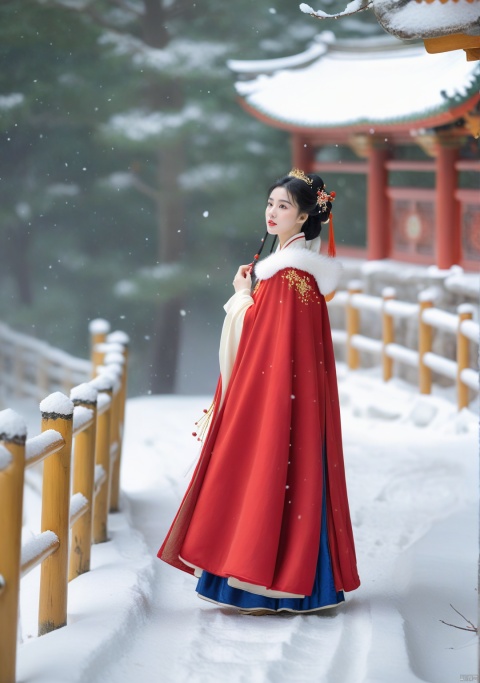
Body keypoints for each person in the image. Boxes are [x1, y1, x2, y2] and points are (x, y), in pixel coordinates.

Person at [158, 168, 360, 614]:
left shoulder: (290, 277)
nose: (272, 212)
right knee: (290, 477)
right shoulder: (294, 275)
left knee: (270, 473)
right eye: (270, 203)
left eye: (283, 206)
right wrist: (251, 295)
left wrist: (240, 298)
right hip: (287, 398)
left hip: (275, 400)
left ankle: (266, 580)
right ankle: (297, 579)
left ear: (305, 216)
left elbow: (258, 337)